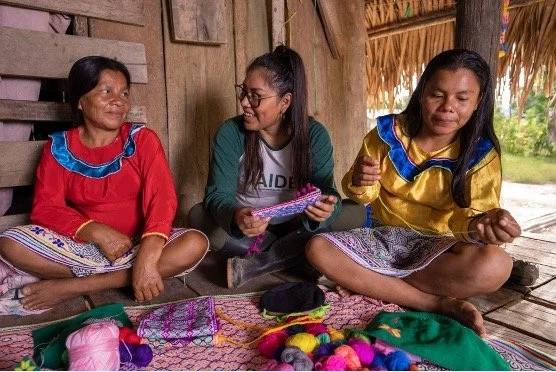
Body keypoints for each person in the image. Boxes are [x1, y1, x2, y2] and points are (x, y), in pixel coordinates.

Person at [305, 49, 521, 337]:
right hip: (383, 237)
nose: (448, 107)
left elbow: (466, 221)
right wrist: (360, 179)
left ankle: (373, 280)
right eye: (437, 94)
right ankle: (433, 302)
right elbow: (364, 196)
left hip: (440, 247)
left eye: (462, 98)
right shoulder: (387, 134)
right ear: (421, 93)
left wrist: (484, 223)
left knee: (497, 265)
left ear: (478, 102)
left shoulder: (481, 155)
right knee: (317, 249)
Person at [0, 56, 209, 311]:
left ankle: (73, 286)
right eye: (106, 91)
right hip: (84, 247)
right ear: (80, 100)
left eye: (123, 93)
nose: (119, 101)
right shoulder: (58, 148)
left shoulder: (142, 140)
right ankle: (119, 276)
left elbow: (162, 200)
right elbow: (46, 208)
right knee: (9, 243)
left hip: (139, 245)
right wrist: (97, 231)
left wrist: (145, 259)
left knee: (195, 243)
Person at [188, 45, 342, 289]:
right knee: (198, 216)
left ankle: (257, 263)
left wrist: (326, 208)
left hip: (297, 225)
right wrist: (237, 216)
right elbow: (217, 195)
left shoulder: (314, 136)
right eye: (243, 92)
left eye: (255, 96)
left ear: (285, 102)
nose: (244, 103)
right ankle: (298, 257)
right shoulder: (231, 133)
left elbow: (328, 193)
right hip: (248, 231)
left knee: (335, 223)